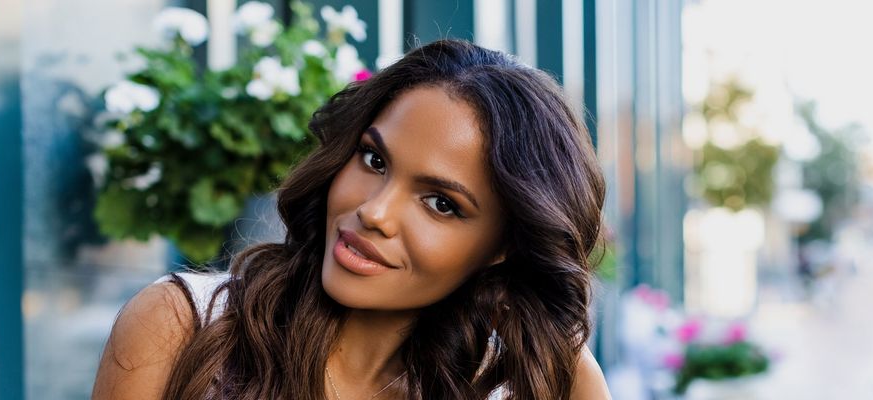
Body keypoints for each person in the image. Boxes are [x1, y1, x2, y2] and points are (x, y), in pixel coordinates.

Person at [91, 39, 611, 400]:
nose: (373, 211)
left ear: (503, 246)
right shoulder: (183, 329)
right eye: (374, 160)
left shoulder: (491, 390)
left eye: (440, 203)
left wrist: (563, 356)